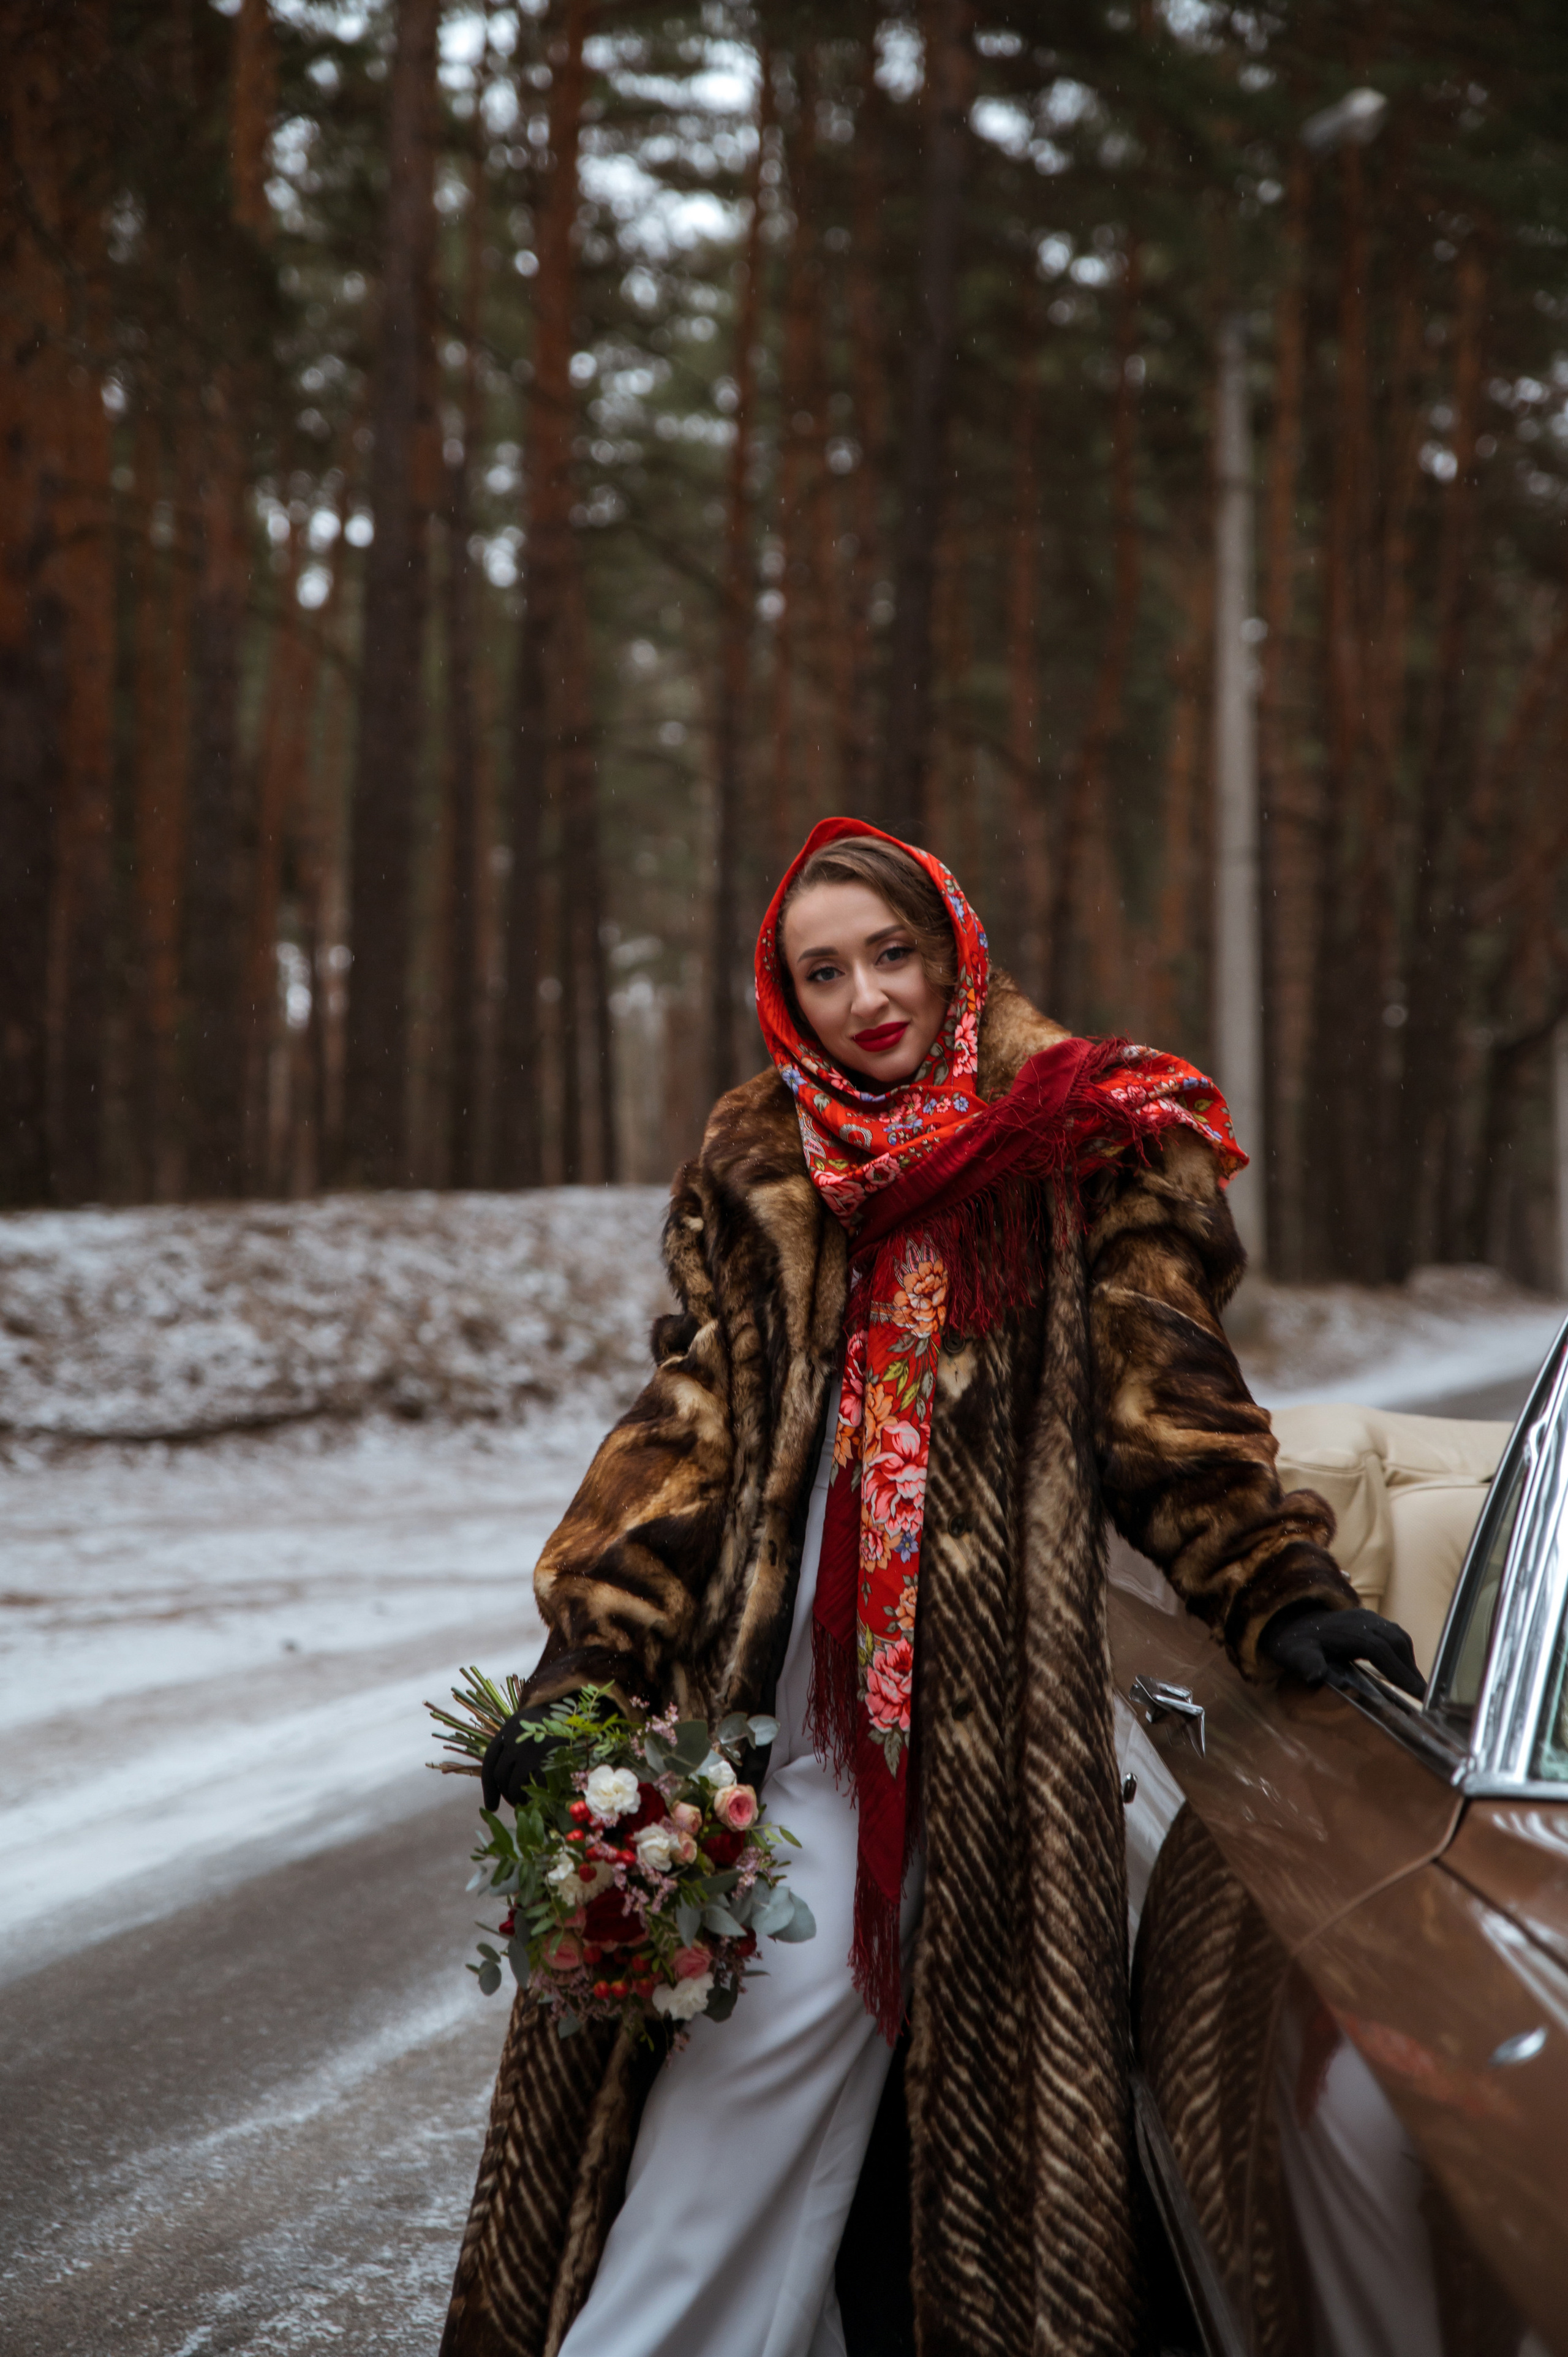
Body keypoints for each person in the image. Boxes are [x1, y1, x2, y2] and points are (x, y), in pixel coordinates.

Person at [439, 817, 1421, 2357]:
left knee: (938, 2144)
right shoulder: (763, 1165)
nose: (862, 998)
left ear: (952, 947)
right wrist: (594, 1657)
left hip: (982, 1750)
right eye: (819, 971)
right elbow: (687, 1435)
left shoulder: (1084, 1142)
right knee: (737, 2057)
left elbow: (1171, 1415)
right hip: (783, 1732)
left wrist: (1271, 1584)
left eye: (889, 953)